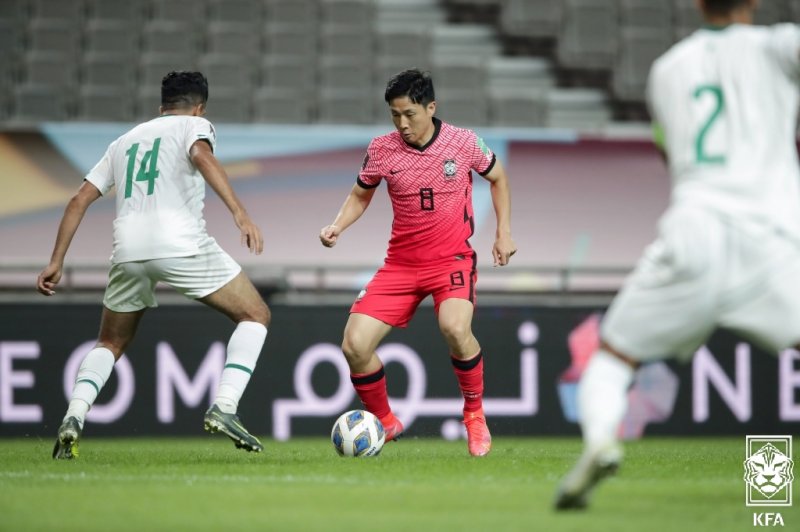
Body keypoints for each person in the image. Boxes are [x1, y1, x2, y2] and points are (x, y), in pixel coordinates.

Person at [555, 0, 800, 509]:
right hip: (771, 238)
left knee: (614, 356)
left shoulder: (666, 70)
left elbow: (672, 151)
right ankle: (769, 506)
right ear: (752, 2)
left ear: (696, 3)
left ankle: (601, 441)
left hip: (693, 231)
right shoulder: (780, 47)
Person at [38, 71, 271, 459]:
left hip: (127, 250)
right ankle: (225, 406)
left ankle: (74, 415)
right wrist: (240, 213)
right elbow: (200, 154)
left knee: (110, 342)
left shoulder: (123, 142)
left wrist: (56, 262)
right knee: (255, 314)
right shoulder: (196, 125)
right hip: (180, 243)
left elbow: (79, 198)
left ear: (160, 105)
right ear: (200, 107)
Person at [319, 69, 517, 457]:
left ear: (431, 107)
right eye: (394, 115)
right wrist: (337, 225)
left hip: (451, 260)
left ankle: (474, 416)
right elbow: (360, 195)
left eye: (409, 113)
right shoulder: (381, 149)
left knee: (455, 328)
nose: (402, 124)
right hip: (400, 265)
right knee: (354, 345)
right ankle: (385, 421)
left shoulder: (463, 142)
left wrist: (503, 232)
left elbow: (499, 178)